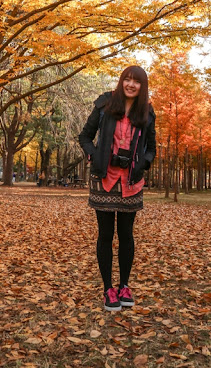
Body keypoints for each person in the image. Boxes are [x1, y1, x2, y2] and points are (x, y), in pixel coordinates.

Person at [79, 65, 156, 312]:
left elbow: (151, 147)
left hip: (131, 181)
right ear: (122, 81)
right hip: (105, 178)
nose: (131, 85)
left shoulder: (147, 112)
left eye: (137, 82)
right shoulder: (105, 105)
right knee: (105, 234)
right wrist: (94, 157)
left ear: (142, 87)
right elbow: (85, 136)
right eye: (127, 79)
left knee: (126, 235)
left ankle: (124, 286)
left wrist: (143, 163)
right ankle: (107, 289)